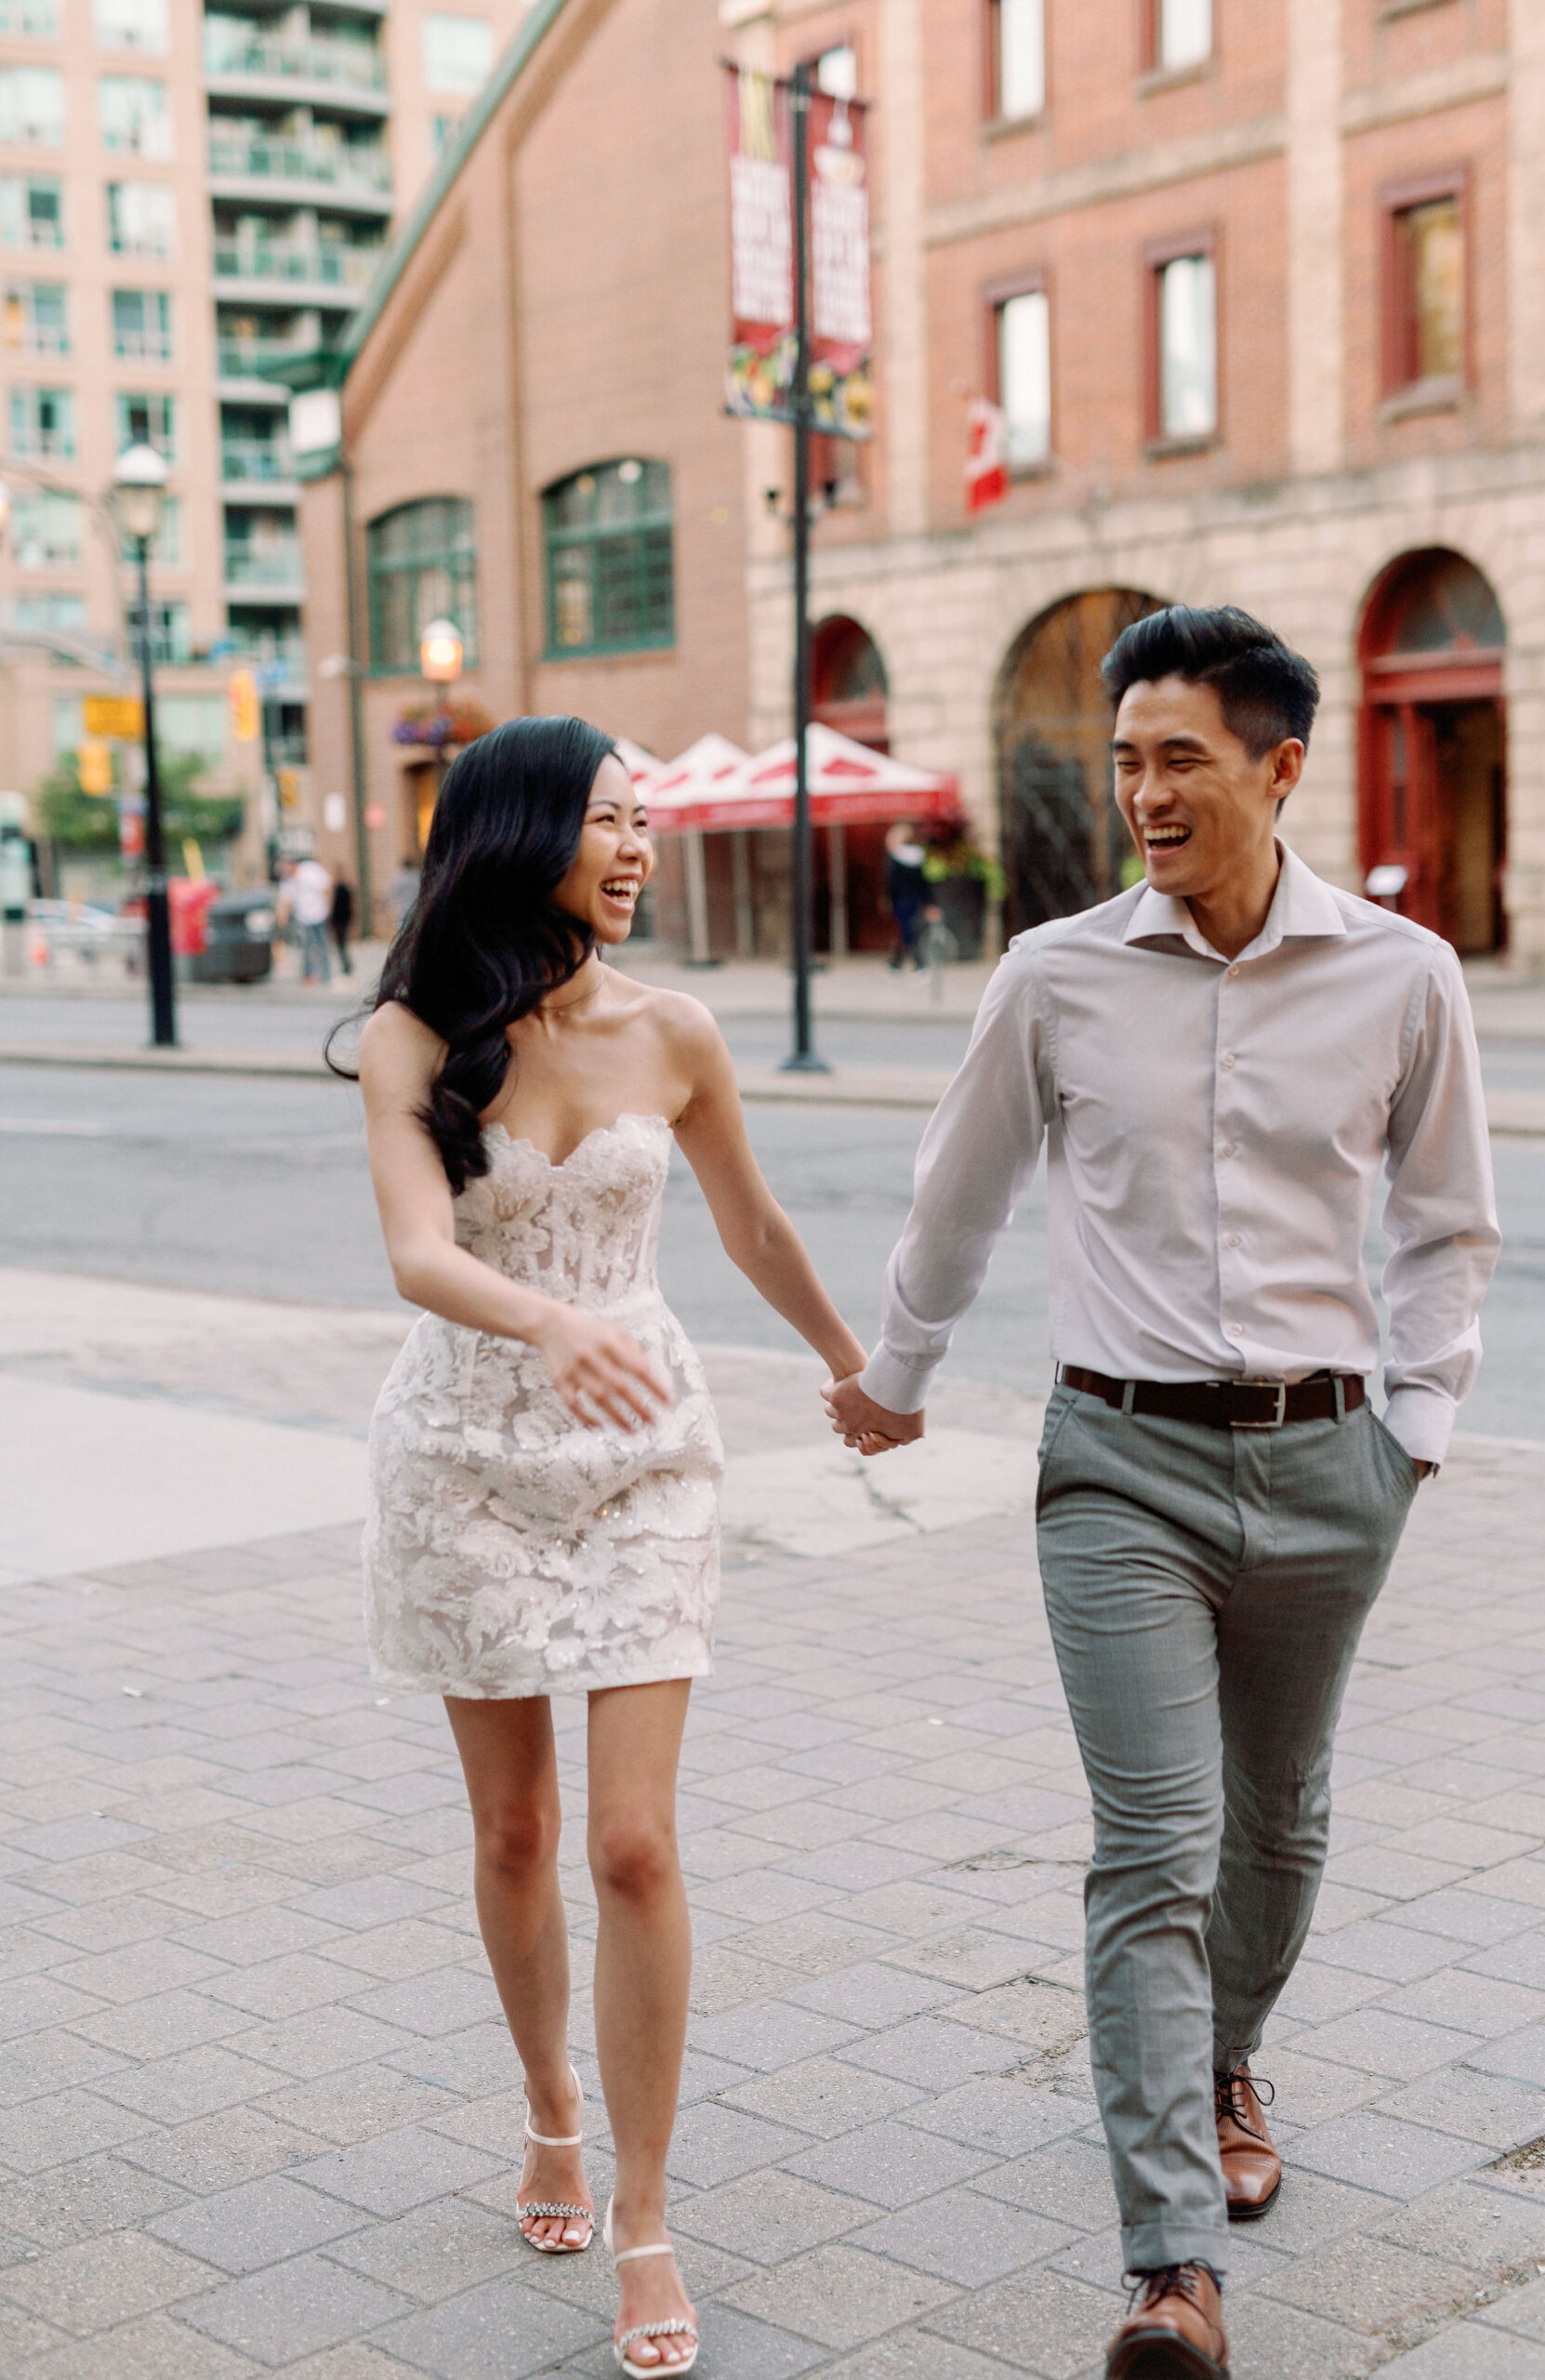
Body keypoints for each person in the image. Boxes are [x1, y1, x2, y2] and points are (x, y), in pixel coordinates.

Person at [826, 606, 1499, 2380]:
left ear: (1280, 769)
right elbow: (955, 1198)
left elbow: (1444, 1229)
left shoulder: (1401, 976)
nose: (1140, 794)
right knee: (1153, 1841)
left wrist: (1409, 1436)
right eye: (1121, 762)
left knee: (1277, 1826)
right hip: (1116, 1466)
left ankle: (1216, 2061)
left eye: (1177, 758)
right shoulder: (1052, 976)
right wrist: (894, 1382)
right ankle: (1170, 2271)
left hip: (1329, 1460)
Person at [353, 716, 870, 2376]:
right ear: (521, 837)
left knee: (631, 1845)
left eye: (645, 823)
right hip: (464, 1454)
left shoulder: (681, 1032)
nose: (636, 850)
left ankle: (644, 2215)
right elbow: (418, 1253)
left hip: (645, 1451)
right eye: (608, 821)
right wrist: (541, 1324)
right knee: (515, 1832)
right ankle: (549, 2111)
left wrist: (862, 1370)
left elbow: (752, 1221)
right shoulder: (416, 1035)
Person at [279, 852, 333, 984]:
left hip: (318, 914)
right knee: (305, 947)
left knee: (322, 945)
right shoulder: (287, 880)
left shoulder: (310, 871)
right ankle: (308, 976)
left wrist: (328, 908)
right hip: (303, 917)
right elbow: (286, 900)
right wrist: (282, 918)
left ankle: (326, 975)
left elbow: (326, 887)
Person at [884, 820, 928, 970]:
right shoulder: (915, 855)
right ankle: (898, 961)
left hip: (903, 899)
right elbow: (922, 882)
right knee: (905, 929)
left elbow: (892, 883)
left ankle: (917, 960)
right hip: (910, 899)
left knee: (907, 929)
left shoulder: (898, 857)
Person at [330, 870, 355, 976]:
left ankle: (347, 966)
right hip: (340, 920)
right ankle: (346, 966)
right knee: (341, 945)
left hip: (342, 920)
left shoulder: (342, 890)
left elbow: (351, 906)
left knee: (342, 945)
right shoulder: (336, 889)